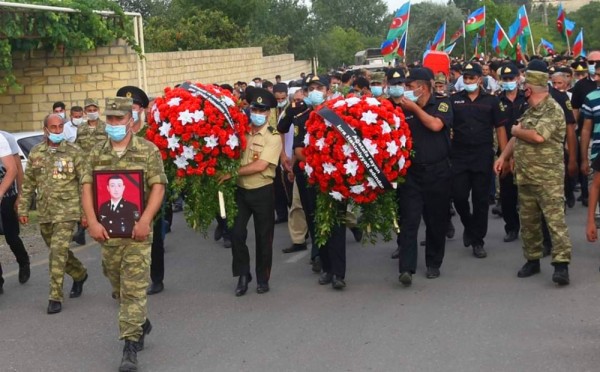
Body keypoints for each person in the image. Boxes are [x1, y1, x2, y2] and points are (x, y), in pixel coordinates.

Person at [81, 97, 166, 372]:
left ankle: (129, 348)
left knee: (133, 289)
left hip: (138, 234)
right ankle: (140, 321)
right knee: (117, 285)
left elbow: (158, 187)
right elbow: (86, 187)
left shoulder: (148, 150)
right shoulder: (96, 152)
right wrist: (92, 222)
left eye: (119, 119)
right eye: (111, 119)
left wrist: (145, 220)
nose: (114, 124)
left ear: (131, 120)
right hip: (108, 234)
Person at [494, 68, 572, 286]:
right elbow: (515, 137)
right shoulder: (528, 112)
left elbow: (537, 136)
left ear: (528, 90)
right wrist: (503, 157)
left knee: (555, 222)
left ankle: (561, 265)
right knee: (529, 223)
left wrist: (516, 131)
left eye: (523, 87)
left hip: (548, 179)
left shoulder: (552, 110)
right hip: (526, 177)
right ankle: (532, 259)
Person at [18, 114, 88, 313]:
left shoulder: (74, 151)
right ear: (45, 129)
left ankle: (55, 296)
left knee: (58, 251)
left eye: (60, 127)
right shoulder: (36, 152)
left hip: (68, 211)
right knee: (58, 251)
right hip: (46, 211)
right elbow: (29, 183)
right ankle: (80, 273)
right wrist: (23, 208)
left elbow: (85, 184)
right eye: (53, 127)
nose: (57, 131)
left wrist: (85, 213)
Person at [219, 88, 282, 296]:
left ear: (268, 113)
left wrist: (231, 173)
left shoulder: (273, 136)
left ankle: (263, 278)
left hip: (262, 191)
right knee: (236, 233)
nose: (257, 113)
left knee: (264, 237)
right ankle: (243, 275)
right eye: (254, 108)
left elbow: (260, 165)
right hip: (241, 192)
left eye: (262, 110)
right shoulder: (240, 132)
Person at [394, 68, 453, 285]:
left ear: (423, 88)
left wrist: (415, 109)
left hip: (438, 171)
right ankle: (406, 268)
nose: (406, 91)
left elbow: (436, 125)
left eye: (410, 87)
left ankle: (433, 263)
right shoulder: (403, 109)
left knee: (436, 220)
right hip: (412, 173)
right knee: (409, 220)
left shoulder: (442, 104)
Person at [450, 62, 508, 258]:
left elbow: (500, 128)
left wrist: (503, 155)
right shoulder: (454, 100)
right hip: (459, 155)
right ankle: (469, 225)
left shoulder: (491, 101)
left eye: (471, 78)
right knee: (458, 196)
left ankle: (478, 240)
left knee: (481, 200)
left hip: (482, 155)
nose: (468, 81)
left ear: (479, 79)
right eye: (465, 78)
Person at [116, 85, 166, 295]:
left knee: (152, 240)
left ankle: (156, 278)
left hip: (149, 194)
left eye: (135, 105)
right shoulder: (115, 134)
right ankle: (127, 280)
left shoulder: (152, 133)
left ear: (142, 109)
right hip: (121, 193)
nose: (131, 109)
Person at [497, 63, 527, 243]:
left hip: (525, 151)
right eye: (505, 79)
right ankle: (512, 227)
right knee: (507, 193)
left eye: (511, 79)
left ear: (518, 78)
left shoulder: (526, 98)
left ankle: (531, 227)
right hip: (504, 151)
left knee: (527, 193)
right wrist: (505, 156)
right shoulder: (497, 100)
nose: (508, 82)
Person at [0, 131, 30, 294]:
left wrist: (21, 195)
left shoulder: (6, 138)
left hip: (7, 196)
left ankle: (23, 261)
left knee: (11, 236)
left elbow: (17, 168)